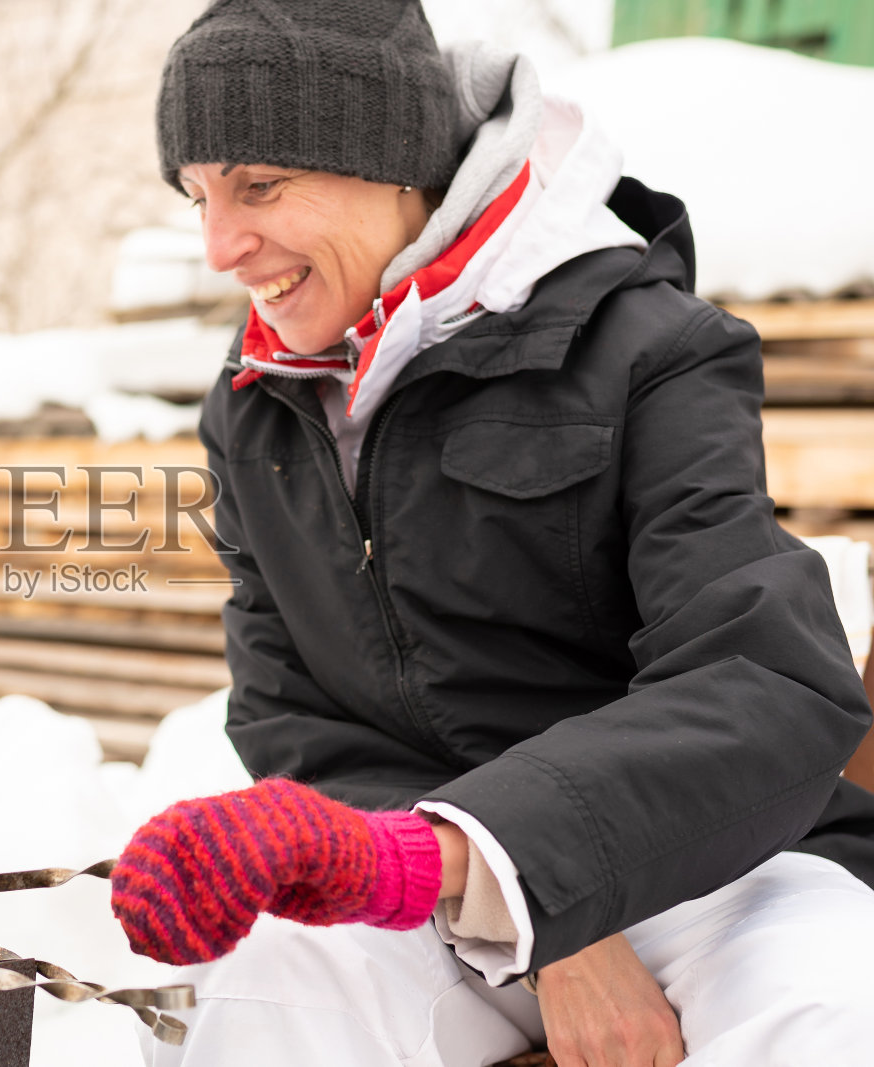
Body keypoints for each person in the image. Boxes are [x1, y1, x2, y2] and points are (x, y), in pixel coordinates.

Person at [107, 2, 874, 1064]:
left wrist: (534, 872)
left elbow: (762, 678)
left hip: (711, 860)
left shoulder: (646, 347)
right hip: (433, 874)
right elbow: (294, 712)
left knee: (835, 1010)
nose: (219, 246)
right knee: (262, 996)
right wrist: (514, 905)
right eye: (197, 197)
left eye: (259, 186)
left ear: (387, 159)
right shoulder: (255, 404)